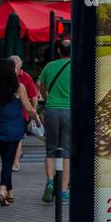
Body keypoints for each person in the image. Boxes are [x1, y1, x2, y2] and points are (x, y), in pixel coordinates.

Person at [0, 59, 35, 206]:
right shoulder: (19, 87)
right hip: (14, 127)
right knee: (8, 161)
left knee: (6, 160)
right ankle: (1, 190)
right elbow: (28, 107)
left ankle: (10, 194)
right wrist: (37, 120)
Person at [37, 39, 73, 204]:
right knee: (66, 151)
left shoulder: (49, 66)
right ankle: (64, 191)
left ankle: (50, 181)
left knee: (51, 148)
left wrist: (47, 97)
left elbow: (40, 85)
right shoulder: (76, 66)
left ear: (59, 51)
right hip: (69, 110)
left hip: (51, 110)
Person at [12, 55, 40, 172]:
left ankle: (15, 162)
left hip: (21, 113)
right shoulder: (3, 77)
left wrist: (32, 112)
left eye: (16, 67)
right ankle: (16, 157)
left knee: (17, 138)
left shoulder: (26, 78)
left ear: (19, 67)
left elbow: (33, 97)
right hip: (6, 113)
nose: (13, 69)